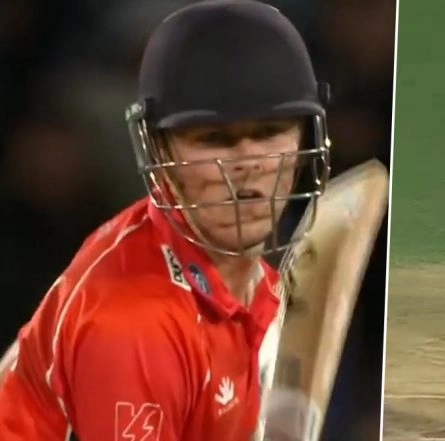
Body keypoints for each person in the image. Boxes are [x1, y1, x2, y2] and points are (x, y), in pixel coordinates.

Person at [0, 1, 331, 440]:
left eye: (270, 132)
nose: (248, 163)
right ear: (159, 149)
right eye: (214, 139)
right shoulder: (135, 322)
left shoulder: (252, 286)